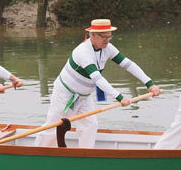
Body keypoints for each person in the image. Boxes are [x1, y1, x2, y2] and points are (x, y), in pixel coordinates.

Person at [35, 18, 162, 148]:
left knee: (90, 125)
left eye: (109, 36)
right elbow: (98, 79)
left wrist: (149, 84)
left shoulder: (107, 48)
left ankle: (85, 155)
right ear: (93, 35)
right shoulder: (83, 52)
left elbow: (128, 64)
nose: (107, 40)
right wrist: (119, 97)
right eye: (104, 37)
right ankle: (36, 153)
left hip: (84, 96)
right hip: (65, 94)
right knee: (52, 129)